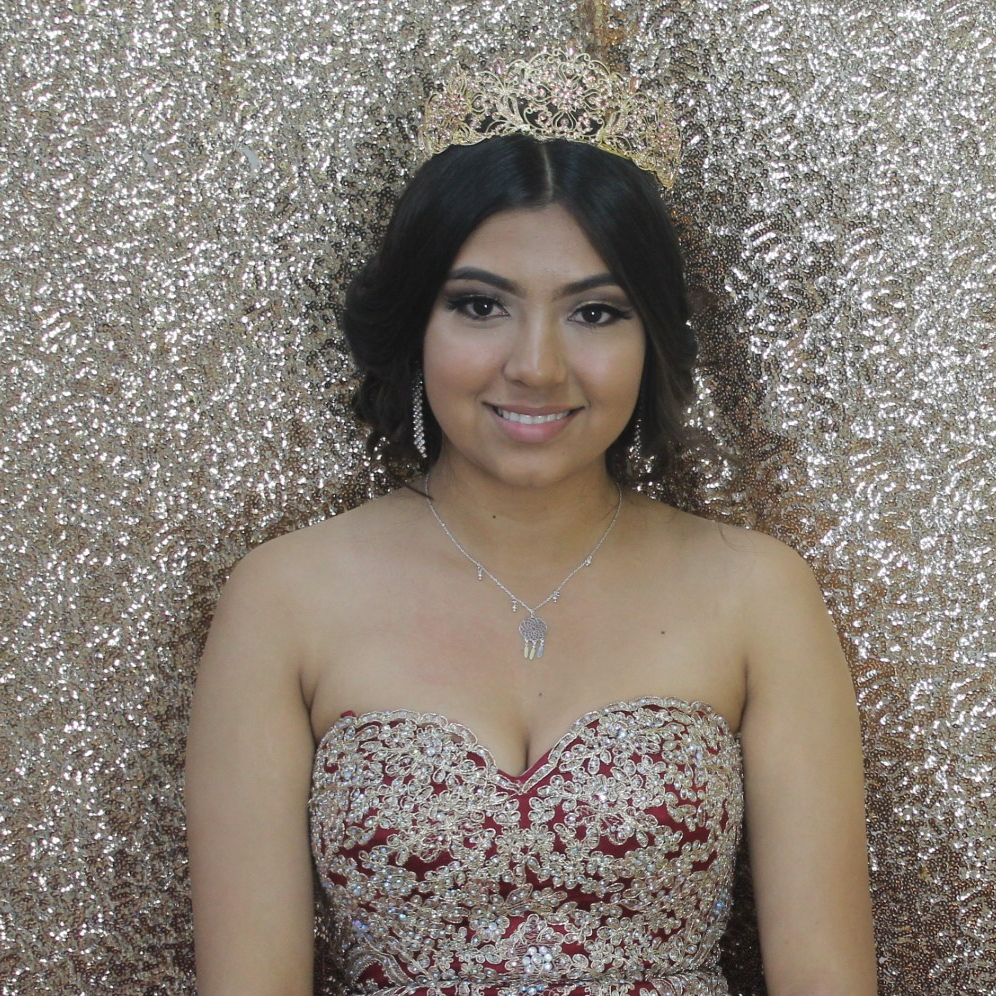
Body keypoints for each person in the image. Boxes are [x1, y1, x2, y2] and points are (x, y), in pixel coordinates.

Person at [185, 50, 876, 996]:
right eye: (481, 306)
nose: (537, 366)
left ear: (651, 337)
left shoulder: (755, 591)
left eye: (594, 312)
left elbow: (825, 976)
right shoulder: (286, 597)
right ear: (416, 323)